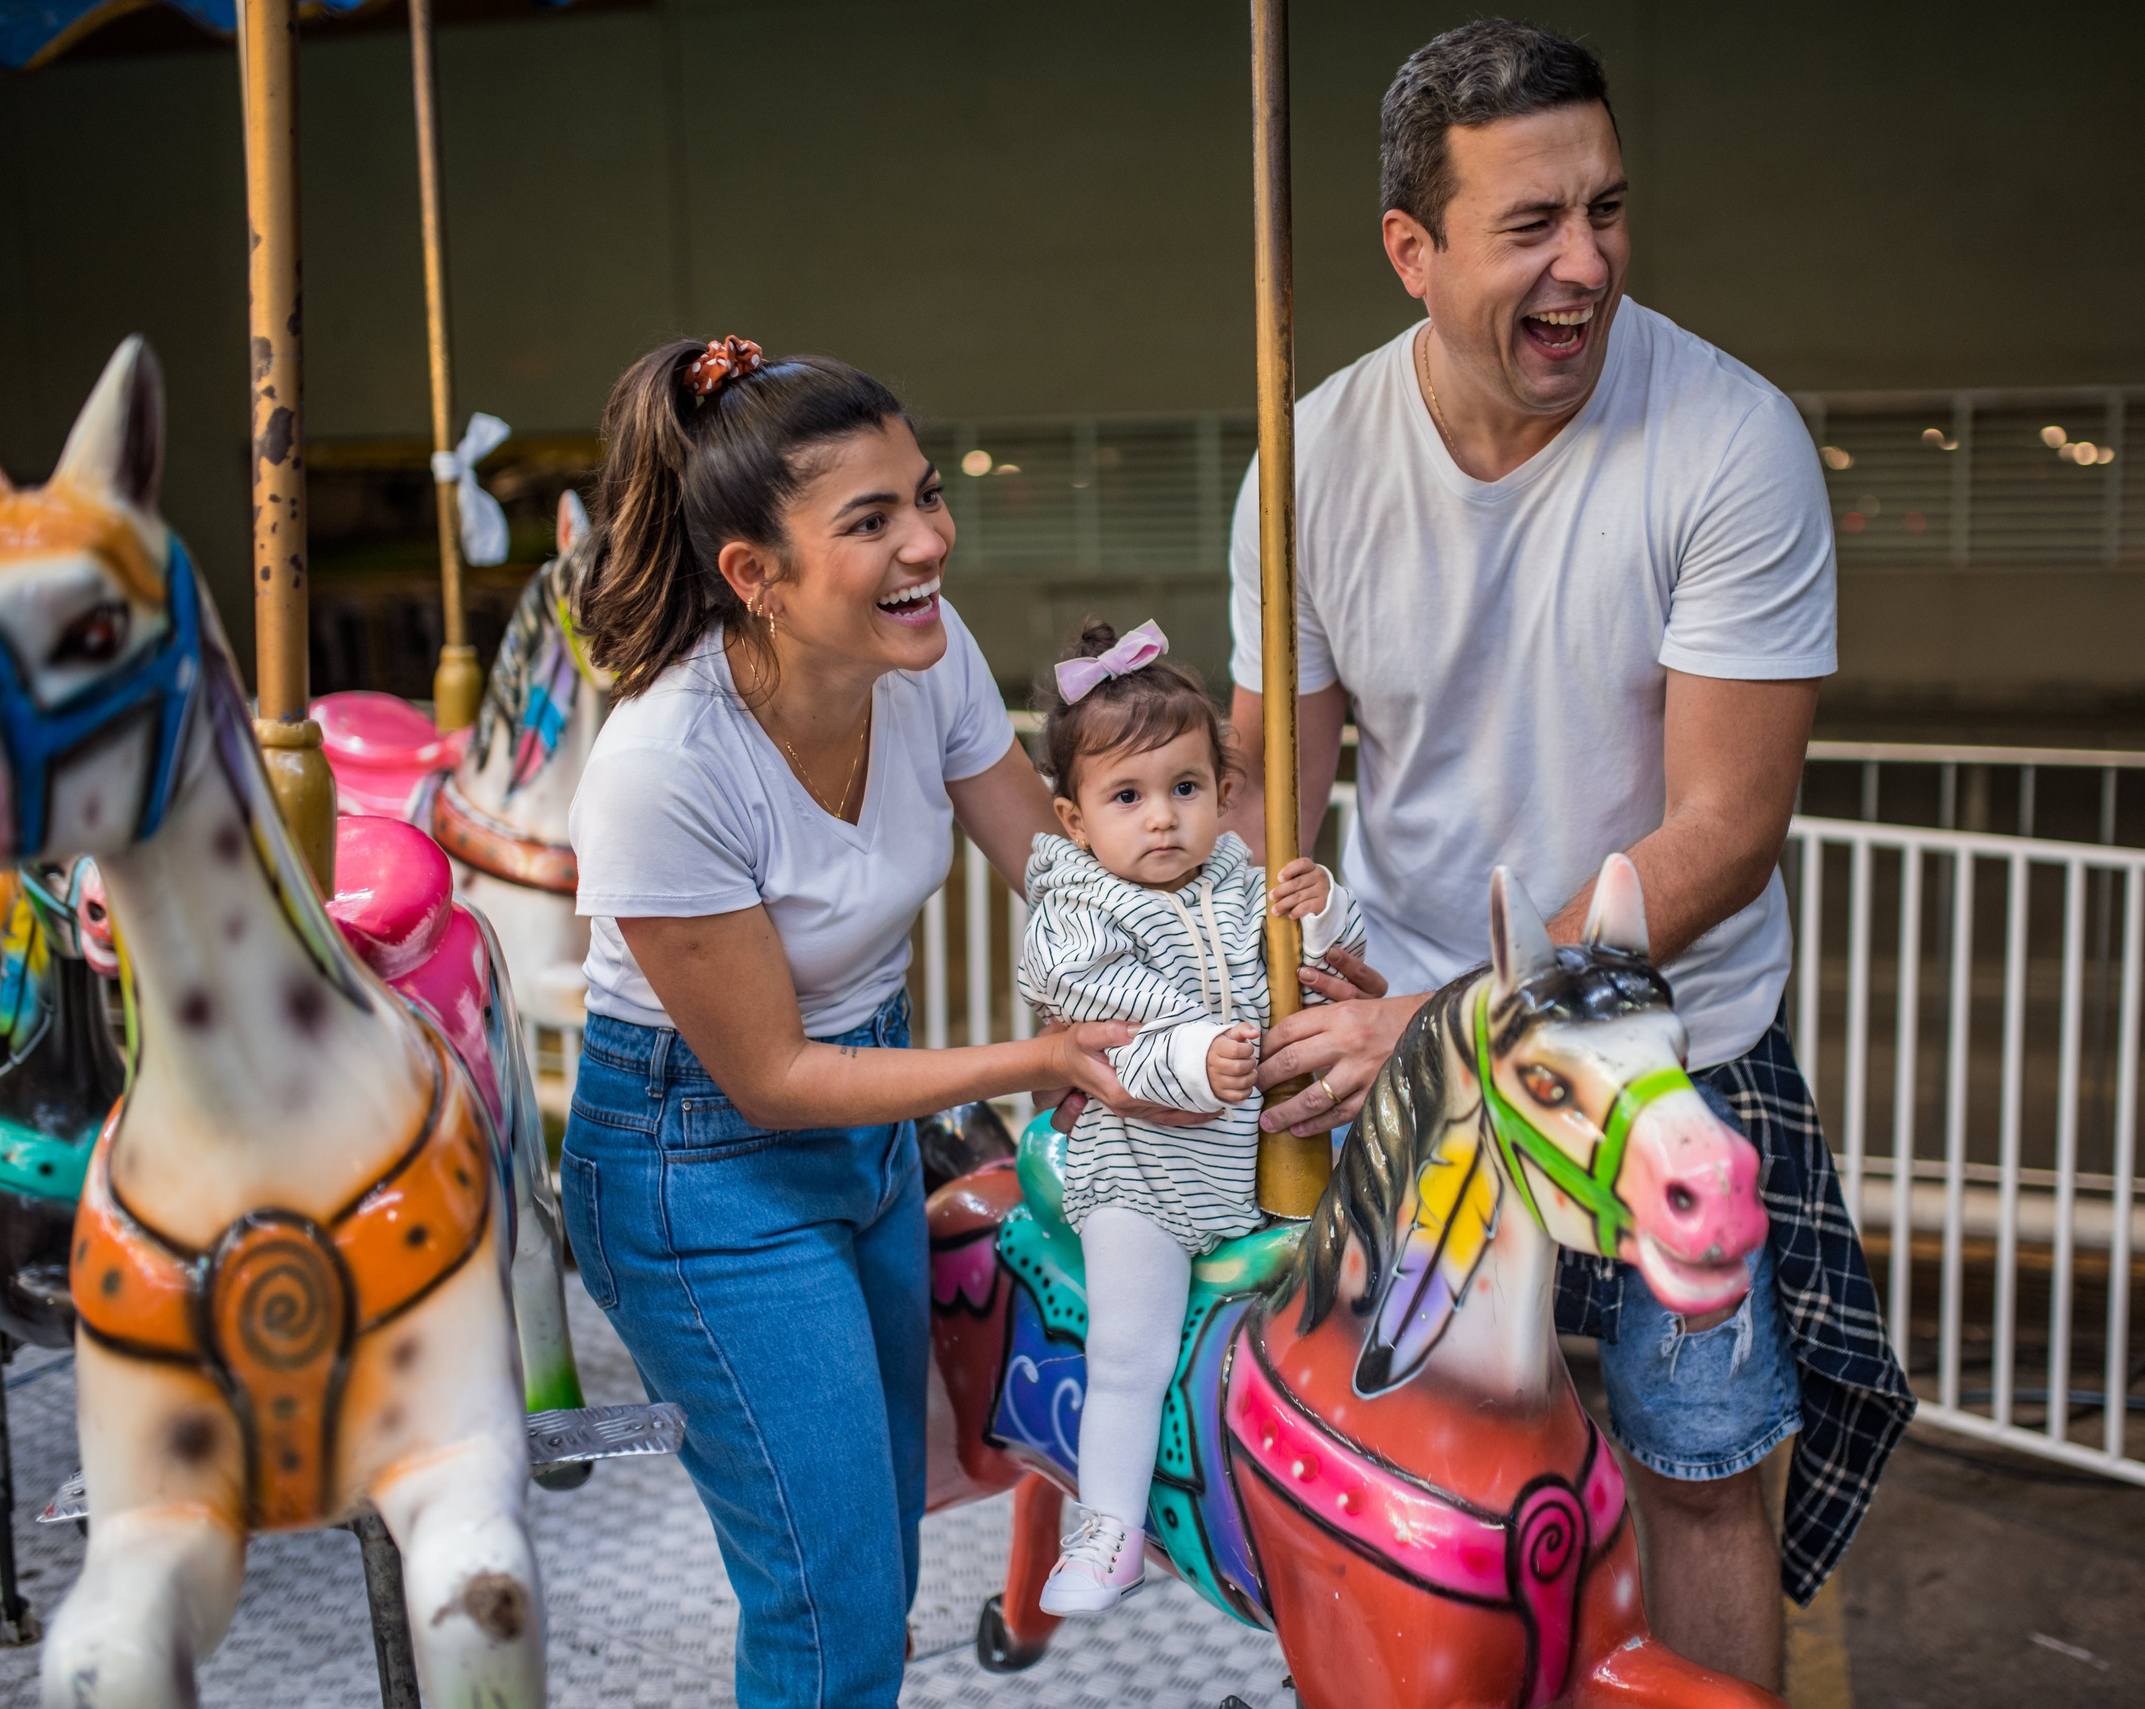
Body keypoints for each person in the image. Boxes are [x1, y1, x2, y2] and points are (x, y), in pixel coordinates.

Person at [1223, 23, 1914, 1696]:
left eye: (1606, 210)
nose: (1586, 262)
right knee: (1397, 1451)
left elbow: (1725, 833)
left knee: (1695, 1461)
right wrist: (1270, 973)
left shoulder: (1729, 440)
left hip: (1668, 1037)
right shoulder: (1309, 463)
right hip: (1411, 1040)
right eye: (1532, 223)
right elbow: (1276, 808)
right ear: (1413, 248)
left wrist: (1461, 1017)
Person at [562, 337, 1188, 1708]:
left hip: (870, 1139)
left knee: (875, 1567)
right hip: (696, 1164)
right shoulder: (664, 768)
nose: (929, 541)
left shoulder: (928, 651)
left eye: (925, 494)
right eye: (874, 519)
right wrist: (1040, 1058)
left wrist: (1234, 962)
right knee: (828, 1598)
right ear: (755, 576)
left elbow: (1058, 872)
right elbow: (776, 1074)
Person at [1015, 618, 1361, 1614]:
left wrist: (1321, 903)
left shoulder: (1239, 881)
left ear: (1223, 792)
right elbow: (1110, 1033)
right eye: (1127, 796)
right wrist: (1196, 1060)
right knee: (1131, 1348)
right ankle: (1109, 1529)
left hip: (1260, 1163)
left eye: (1185, 787)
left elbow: (1328, 956)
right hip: (1143, 1173)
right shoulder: (1080, 911)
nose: (1161, 818)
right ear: (1075, 820)